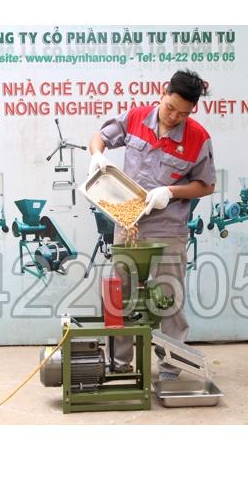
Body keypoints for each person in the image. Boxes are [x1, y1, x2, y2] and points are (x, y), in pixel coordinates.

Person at [88, 69, 216, 381]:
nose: (174, 117)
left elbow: (206, 185)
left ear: (192, 110)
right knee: (120, 293)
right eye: (170, 108)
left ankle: (170, 365)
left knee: (167, 295)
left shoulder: (198, 138)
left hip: (168, 229)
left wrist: (170, 192)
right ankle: (120, 362)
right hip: (128, 223)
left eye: (183, 113)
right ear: (162, 92)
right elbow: (99, 137)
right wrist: (97, 157)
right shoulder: (135, 118)